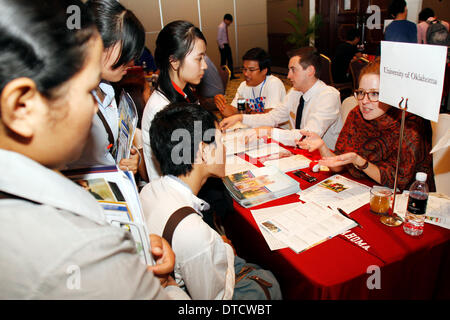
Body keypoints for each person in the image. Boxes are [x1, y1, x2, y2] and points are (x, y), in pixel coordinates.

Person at [0, 0, 188, 299]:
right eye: (88, 91)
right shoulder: (78, 253)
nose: (93, 108)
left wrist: (130, 247)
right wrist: (168, 285)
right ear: (22, 107)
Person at [140, 102, 281, 300]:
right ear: (203, 151)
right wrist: (226, 250)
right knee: (269, 281)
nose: (224, 149)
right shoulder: (195, 233)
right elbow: (218, 297)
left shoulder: (148, 190)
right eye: (221, 141)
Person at [297, 59, 435, 192]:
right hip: (359, 190)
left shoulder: (410, 123)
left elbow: (397, 181)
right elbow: (339, 164)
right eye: (361, 92)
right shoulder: (357, 114)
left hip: (405, 201)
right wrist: (322, 146)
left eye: (374, 94)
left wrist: (361, 162)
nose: (364, 101)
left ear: (392, 94)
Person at [67, 0, 144, 177]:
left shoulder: (108, 89)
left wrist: (129, 159)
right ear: (98, 45)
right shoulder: (71, 100)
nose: (131, 62)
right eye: (126, 51)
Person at [220, 47, 343, 151]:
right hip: (300, 153)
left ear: (310, 71)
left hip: (325, 158)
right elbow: (272, 117)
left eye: (293, 70)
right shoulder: (295, 92)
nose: (288, 76)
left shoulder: (328, 96)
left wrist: (268, 132)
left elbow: (308, 136)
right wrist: (241, 117)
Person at [141, 20, 207, 181]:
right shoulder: (162, 108)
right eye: (199, 59)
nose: (204, 65)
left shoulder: (184, 92)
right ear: (174, 61)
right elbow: (185, 168)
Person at [215, 47, 286, 117]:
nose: (246, 74)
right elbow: (233, 111)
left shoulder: (273, 83)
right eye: (244, 69)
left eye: (251, 70)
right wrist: (221, 104)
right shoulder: (244, 86)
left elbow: (270, 116)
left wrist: (249, 113)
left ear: (264, 71)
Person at [217, 13, 237, 80]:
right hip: (224, 46)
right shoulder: (221, 26)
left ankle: (231, 75)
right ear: (226, 20)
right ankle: (223, 76)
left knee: (230, 61)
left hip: (226, 45)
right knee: (223, 62)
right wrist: (222, 47)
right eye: (229, 21)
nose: (230, 23)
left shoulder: (224, 26)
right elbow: (219, 38)